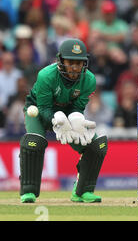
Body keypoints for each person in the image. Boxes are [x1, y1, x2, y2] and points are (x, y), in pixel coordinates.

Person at [19, 39, 108, 204]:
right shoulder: (46, 75)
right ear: (61, 61)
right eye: (71, 62)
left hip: (67, 115)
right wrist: (55, 119)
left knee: (95, 146)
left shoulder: (89, 80)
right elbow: (44, 108)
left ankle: (82, 191)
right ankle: (28, 191)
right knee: (34, 142)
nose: (75, 67)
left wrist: (76, 119)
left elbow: (78, 107)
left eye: (79, 63)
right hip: (38, 111)